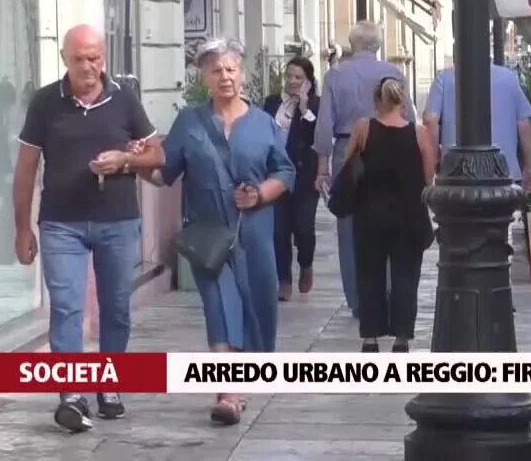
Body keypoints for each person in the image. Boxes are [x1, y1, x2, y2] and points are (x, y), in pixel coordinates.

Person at [12, 25, 164, 432]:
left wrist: (125, 161)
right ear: (65, 60)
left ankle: (108, 386)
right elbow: (26, 168)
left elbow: (157, 155)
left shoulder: (124, 100)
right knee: (66, 307)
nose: (88, 66)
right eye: (79, 58)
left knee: (116, 307)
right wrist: (22, 228)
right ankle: (72, 395)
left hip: (118, 220)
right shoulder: (45, 102)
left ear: (104, 58)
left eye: (95, 57)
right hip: (61, 223)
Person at [138, 38, 295, 425]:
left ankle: (238, 384)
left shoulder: (262, 123)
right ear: (203, 77)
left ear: (241, 74)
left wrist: (260, 194)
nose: (224, 76)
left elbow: (286, 172)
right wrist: (135, 164)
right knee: (219, 306)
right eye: (216, 70)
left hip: (254, 235)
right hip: (209, 235)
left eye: (231, 69)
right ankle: (227, 392)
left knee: (256, 308)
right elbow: (165, 172)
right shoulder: (189, 122)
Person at [313, 21, 414, 319]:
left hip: (348, 149)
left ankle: (358, 298)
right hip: (390, 147)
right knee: (389, 218)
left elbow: (323, 125)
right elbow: (407, 115)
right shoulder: (394, 74)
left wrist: (322, 166)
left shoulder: (335, 75)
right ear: (378, 45)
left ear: (351, 44)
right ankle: (386, 291)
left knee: (349, 225)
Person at [347, 77, 436, 352]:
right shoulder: (419, 134)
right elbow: (429, 176)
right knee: (406, 277)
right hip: (409, 216)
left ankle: (370, 338)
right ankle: (401, 339)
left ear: (376, 102)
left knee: (369, 275)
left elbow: (349, 167)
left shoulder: (363, 129)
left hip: (369, 215)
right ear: (403, 102)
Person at [423, 62, 531, 195]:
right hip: (506, 173)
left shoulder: (444, 79)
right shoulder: (509, 78)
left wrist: (431, 169)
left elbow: (430, 121)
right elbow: (524, 123)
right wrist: (530, 167)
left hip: (456, 174)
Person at [262, 57, 321, 301]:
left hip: (305, 176)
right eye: (289, 76)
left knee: (304, 227)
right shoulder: (272, 102)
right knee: (279, 230)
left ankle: (306, 264)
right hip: (275, 175)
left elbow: (317, 137)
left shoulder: (316, 105)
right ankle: (283, 279)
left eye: (299, 77)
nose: (293, 82)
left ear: (309, 81)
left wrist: (305, 108)